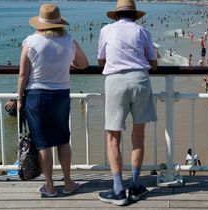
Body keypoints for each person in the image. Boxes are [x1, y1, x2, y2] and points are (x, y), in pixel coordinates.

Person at [17, 3, 89, 197]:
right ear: (59, 22)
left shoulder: (30, 41)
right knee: (63, 140)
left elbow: (23, 74)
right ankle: (67, 183)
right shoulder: (69, 40)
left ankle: (49, 186)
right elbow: (84, 64)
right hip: (60, 95)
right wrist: (69, 62)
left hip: (36, 95)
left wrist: (19, 98)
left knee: (43, 143)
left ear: (40, 22)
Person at [97, 0, 157, 205]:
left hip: (115, 82)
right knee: (138, 135)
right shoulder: (142, 31)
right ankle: (135, 185)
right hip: (140, 80)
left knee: (113, 137)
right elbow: (154, 63)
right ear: (135, 15)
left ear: (115, 15)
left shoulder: (106, 30)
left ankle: (118, 189)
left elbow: (100, 61)